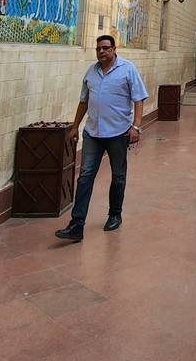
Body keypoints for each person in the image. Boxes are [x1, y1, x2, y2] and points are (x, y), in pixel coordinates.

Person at [55, 35, 148, 242]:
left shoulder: (127, 69)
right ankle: (76, 224)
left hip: (118, 132)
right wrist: (75, 126)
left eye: (105, 48)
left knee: (118, 175)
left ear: (114, 49)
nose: (101, 52)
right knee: (85, 176)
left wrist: (136, 126)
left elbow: (139, 98)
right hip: (93, 133)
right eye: (98, 49)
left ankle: (115, 214)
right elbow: (83, 101)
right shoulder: (91, 72)